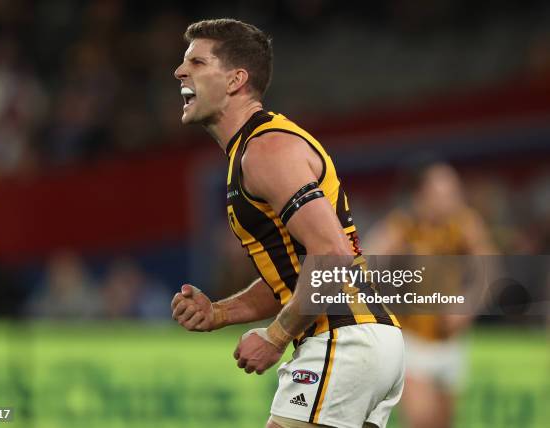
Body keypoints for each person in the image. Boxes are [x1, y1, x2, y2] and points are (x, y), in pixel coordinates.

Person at [170, 19, 403, 428]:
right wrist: (220, 313)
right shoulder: (256, 149)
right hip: (364, 338)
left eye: (197, 62)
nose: (180, 71)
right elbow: (297, 274)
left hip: (341, 338)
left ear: (235, 80)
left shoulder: (266, 150)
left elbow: (332, 254)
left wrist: (274, 338)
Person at [365, 162, 498, 428]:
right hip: (413, 342)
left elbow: (489, 269)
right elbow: (365, 267)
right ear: (421, 195)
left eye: (455, 192)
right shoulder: (402, 227)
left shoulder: (464, 224)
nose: (453, 200)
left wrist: (466, 306)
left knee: (442, 423)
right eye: (444, 193)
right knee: (422, 420)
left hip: (451, 343)